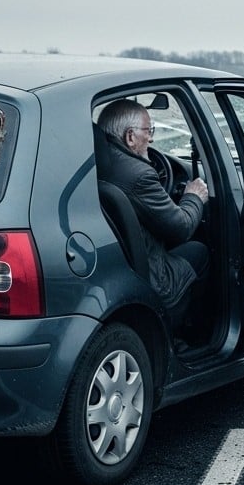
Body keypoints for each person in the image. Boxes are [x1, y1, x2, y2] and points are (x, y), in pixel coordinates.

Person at [95, 99, 210, 329]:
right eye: (149, 131)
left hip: (122, 268)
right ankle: (190, 335)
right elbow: (182, 228)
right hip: (157, 281)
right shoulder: (139, 175)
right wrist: (194, 196)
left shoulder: (99, 162)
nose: (152, 138)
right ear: (130, 137)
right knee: (201, 251)